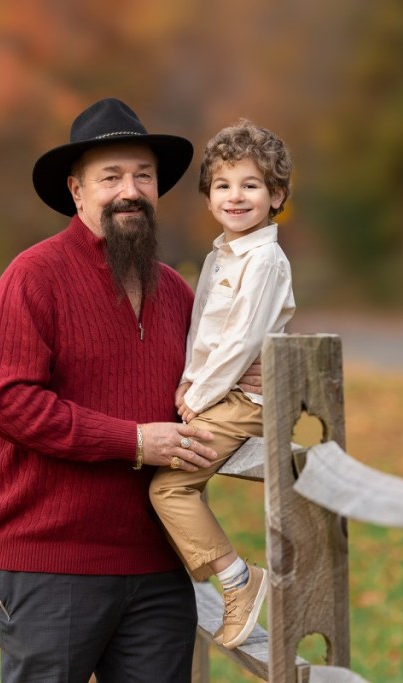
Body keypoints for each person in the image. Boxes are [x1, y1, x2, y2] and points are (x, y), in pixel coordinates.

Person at [0, 97, 223, 683]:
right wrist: (132, 441)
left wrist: (250, 374)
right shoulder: (34, 277)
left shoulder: (177, 293)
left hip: (157, 565)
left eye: (143, 176)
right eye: (110, 177)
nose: (129, 191)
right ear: (77, 192)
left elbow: (207, 382)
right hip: (47, 560)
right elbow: (5, 399)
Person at [150, 119, 296, 650]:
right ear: (209, 195)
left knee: (169, 485)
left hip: (244, 399)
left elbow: (240, 342)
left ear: (275, 194)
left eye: (251, 185)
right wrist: (188, 382)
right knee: (157, 473)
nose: (235, 196)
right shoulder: (218, 257)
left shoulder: (264, 261)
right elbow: (200, 336)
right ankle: (182, 583)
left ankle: (237, 582)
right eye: (223, 185)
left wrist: (198, 397)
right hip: (217, 394)